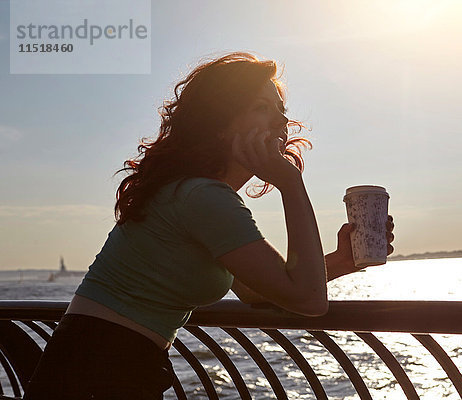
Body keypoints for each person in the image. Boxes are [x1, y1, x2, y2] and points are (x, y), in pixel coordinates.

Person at [23, 52, 395, 400]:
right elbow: (309, 301)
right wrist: (291, 185)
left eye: (280, 110)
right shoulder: (202, 196)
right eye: (261, 108)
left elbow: (255, 292)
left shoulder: (193, 192)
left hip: (94, 363)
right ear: (219, 124)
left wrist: (344, 261)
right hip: (102, 371)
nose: (280, 121)